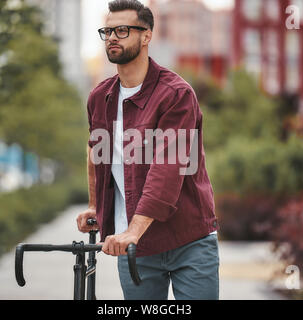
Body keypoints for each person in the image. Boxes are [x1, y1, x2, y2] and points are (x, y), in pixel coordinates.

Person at [76, 0, 219, 300]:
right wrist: (95, 206)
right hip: (136, 247)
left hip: (188, 240)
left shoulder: (176, 95)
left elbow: (167, 169)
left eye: (123, 30)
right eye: (108, 31)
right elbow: (96, 152)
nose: (113, 36)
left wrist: (132, 231)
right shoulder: (99, 97)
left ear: (146, 35)